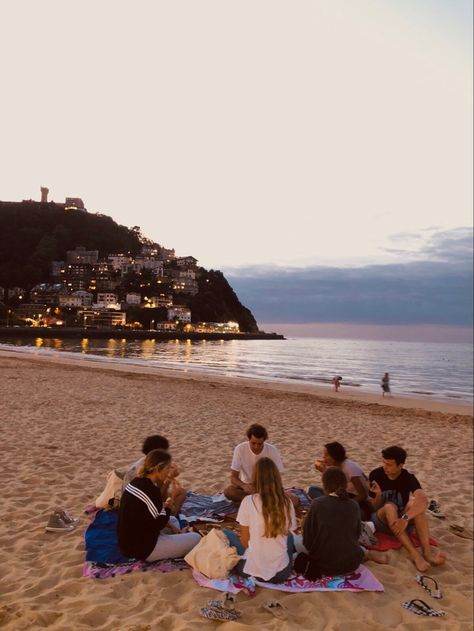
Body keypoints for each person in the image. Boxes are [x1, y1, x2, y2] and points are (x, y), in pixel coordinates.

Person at [369, 446, 447, 572]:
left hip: (400, 520)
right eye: (384, 462)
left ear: (400, 466)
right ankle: (415, 556)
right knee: (390, 506)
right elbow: (373, 508)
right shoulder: (376, 475)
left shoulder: (408, 477)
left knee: (415, 506)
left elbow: (423, 500)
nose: (384, 467)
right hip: (381, 520)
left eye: (389, 465)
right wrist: (377, 496)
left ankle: (427, 554)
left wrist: (405, 518)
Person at [301, 467, 388, 579]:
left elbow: (308, 539)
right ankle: (366, 553)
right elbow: (356, 535)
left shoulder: (318, 503)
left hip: (325, 565)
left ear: (325, 484)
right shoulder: (353, 505)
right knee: (355, 537)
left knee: (295, 542)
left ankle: (365, 553)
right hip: (351, 563)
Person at [117, 449, 200, 561]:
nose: (169, 472)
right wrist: (169, 506)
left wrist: (169, 522)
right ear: (158, 469)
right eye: (167, 468)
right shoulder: (151, 490)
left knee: (173, 521)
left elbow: (150, 517)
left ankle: (176, 538)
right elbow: (158, 524)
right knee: (196, 538)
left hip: (130, 540)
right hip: (141, 549)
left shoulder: (137, 481)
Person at [224, 457, 297, 583]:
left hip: (252, 572)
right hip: (282, 573)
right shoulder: (286, 502)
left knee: (226, 533)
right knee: (289, 538)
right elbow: (288, 531)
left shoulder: (248, 502)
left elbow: (245, 542)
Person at [123, 434, 186, 515]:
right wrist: (169, 478)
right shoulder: (147, 475)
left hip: (138, 501)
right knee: (178, 495)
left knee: (180, 492)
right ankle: (172, 514)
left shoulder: (146, 463)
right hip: (141, 507)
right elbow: (157, 496)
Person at [224, 424, 284, 503]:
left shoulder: (272, 450)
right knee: (229, 491)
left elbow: (277, 476)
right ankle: (260, 502)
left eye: (259, 444)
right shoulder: (240, 449)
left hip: (266, 487)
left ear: (264, 441)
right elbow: (233, 477)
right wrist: (244, 486)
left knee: (292, 499)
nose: (256, 446)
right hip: (248, 487)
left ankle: (251, 502)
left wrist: (267, 487)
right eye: (253, 443)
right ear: (248, 439)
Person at [309, 442, 369, 509]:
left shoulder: (350, 468)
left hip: (355, 501)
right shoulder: (334, 466)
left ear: (334, 456)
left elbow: (363, 495)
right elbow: (330, 490)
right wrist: (325, 471)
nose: (323, 457)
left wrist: (345, 506)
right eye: (323, 455)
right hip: (341, 496)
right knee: (312, 489)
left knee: (321, 501)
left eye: (326, 455)